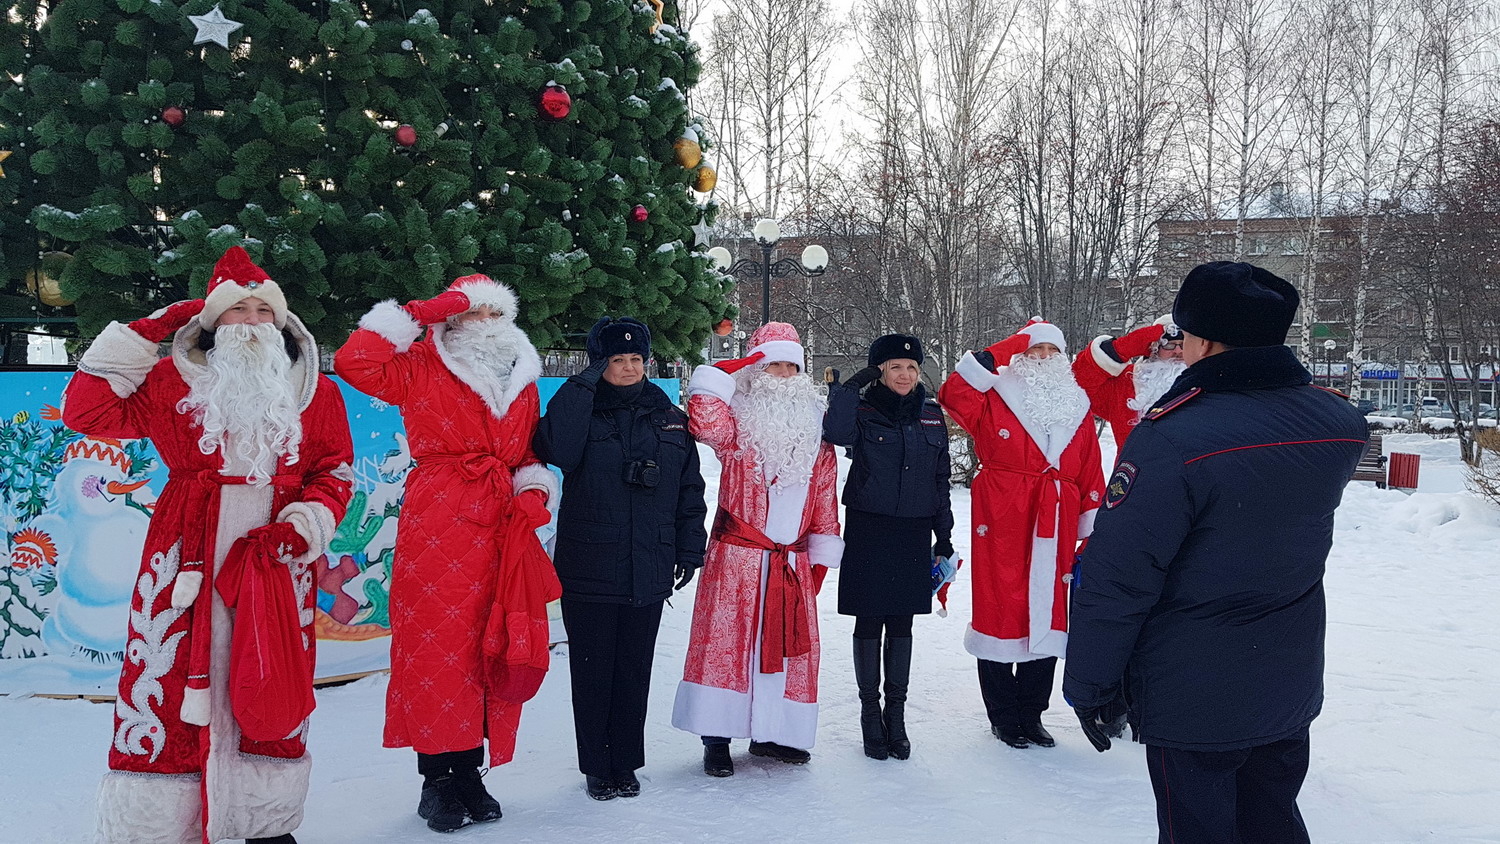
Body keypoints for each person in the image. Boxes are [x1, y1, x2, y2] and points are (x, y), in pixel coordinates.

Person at [1064, 262, 1368, 844]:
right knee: (1273, 821)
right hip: (1285, 678)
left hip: (1193, 694)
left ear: (1201, 340)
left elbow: (1119, 576)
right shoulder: (1335, 421)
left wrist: (1090, 683)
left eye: (1181, 340)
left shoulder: (1173, 437)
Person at [64, 246, 354, 844]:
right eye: (235, 311)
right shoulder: (170, 379)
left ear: (281, 323)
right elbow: (85, 413)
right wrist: (146, 334)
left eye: (262, 311)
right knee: (168, 679)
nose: (250, 322)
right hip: (186, 550)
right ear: (211, 323)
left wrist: (302, 525)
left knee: (271, 676)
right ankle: (162, 823)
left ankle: (265, 821)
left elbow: (336, 470)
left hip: (277, 558)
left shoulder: (315, 393)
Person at [335, 275, 559, 833]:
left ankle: (470, 773)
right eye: (471, 312)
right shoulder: (418, 365)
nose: (483, 322)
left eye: (492, 312)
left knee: (493, 640)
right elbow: (354, 362)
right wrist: (419, 309)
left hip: (502, 524)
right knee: (438, 648)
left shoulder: (521, 376)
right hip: (440, 518)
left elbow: (526, 448)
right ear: (450, 318)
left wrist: (533, 486)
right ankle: (437, 778)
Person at [532, 317, 707, 801]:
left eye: (635, 359)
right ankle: (596, 766)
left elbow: (689, 488)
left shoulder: (669, 416)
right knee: (592, 670)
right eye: (615, 360)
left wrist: (690, 547)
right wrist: (584, 382)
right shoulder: (580, 410)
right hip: (591, 561)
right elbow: (555, 449)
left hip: (648, 562)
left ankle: (625, 763)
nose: (628, 368)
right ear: (598, 363)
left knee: (634, 668)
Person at [670, 322, 844, 776]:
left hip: (793, 558)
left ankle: (775, 733)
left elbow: (825, 495)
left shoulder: (816, 430)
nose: (783, 375)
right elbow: (703, 416)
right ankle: (717, 737)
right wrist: (727, 369)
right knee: (728, 643)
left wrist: (822, 556)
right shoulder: (735, 422)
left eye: (791, 366)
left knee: (787, 646)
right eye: (773, 365)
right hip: (739, 556)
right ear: (756, 371)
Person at [937, 319, 1105, 749]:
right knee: (1001, 605)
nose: (1043, 359)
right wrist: (1007, 344)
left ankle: (1032, 713)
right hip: (1003, 511)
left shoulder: (1077, 404)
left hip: (1058, 514)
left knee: (1048, 609)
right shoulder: (995, 394)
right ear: (1019, 355)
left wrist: (1089, 519)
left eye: (1051, 351)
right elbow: (953, 394)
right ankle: (1002, 714)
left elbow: (1089, 467)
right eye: (1034, 350)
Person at [822, 334, 953, 761]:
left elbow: (940, 482)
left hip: (913, 533)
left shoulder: (932, 417)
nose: (905, 375)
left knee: (901, 626)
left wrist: (944, 538)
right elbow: (834, 430)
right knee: (868, 622)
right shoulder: (862, 411)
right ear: (881, 369)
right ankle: (869, 714)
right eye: (896, 366)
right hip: (870, 529)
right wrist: (851, 384)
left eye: (912, 368)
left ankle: (895, 717)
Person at [1072, 315, 1187, 446]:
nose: (1178, 351)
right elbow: (1078, 386)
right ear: (1154, 348)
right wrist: (1120, 349)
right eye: (1169, 345)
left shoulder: (1208, 383)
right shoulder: (1127, 381)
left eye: (1184, 345)